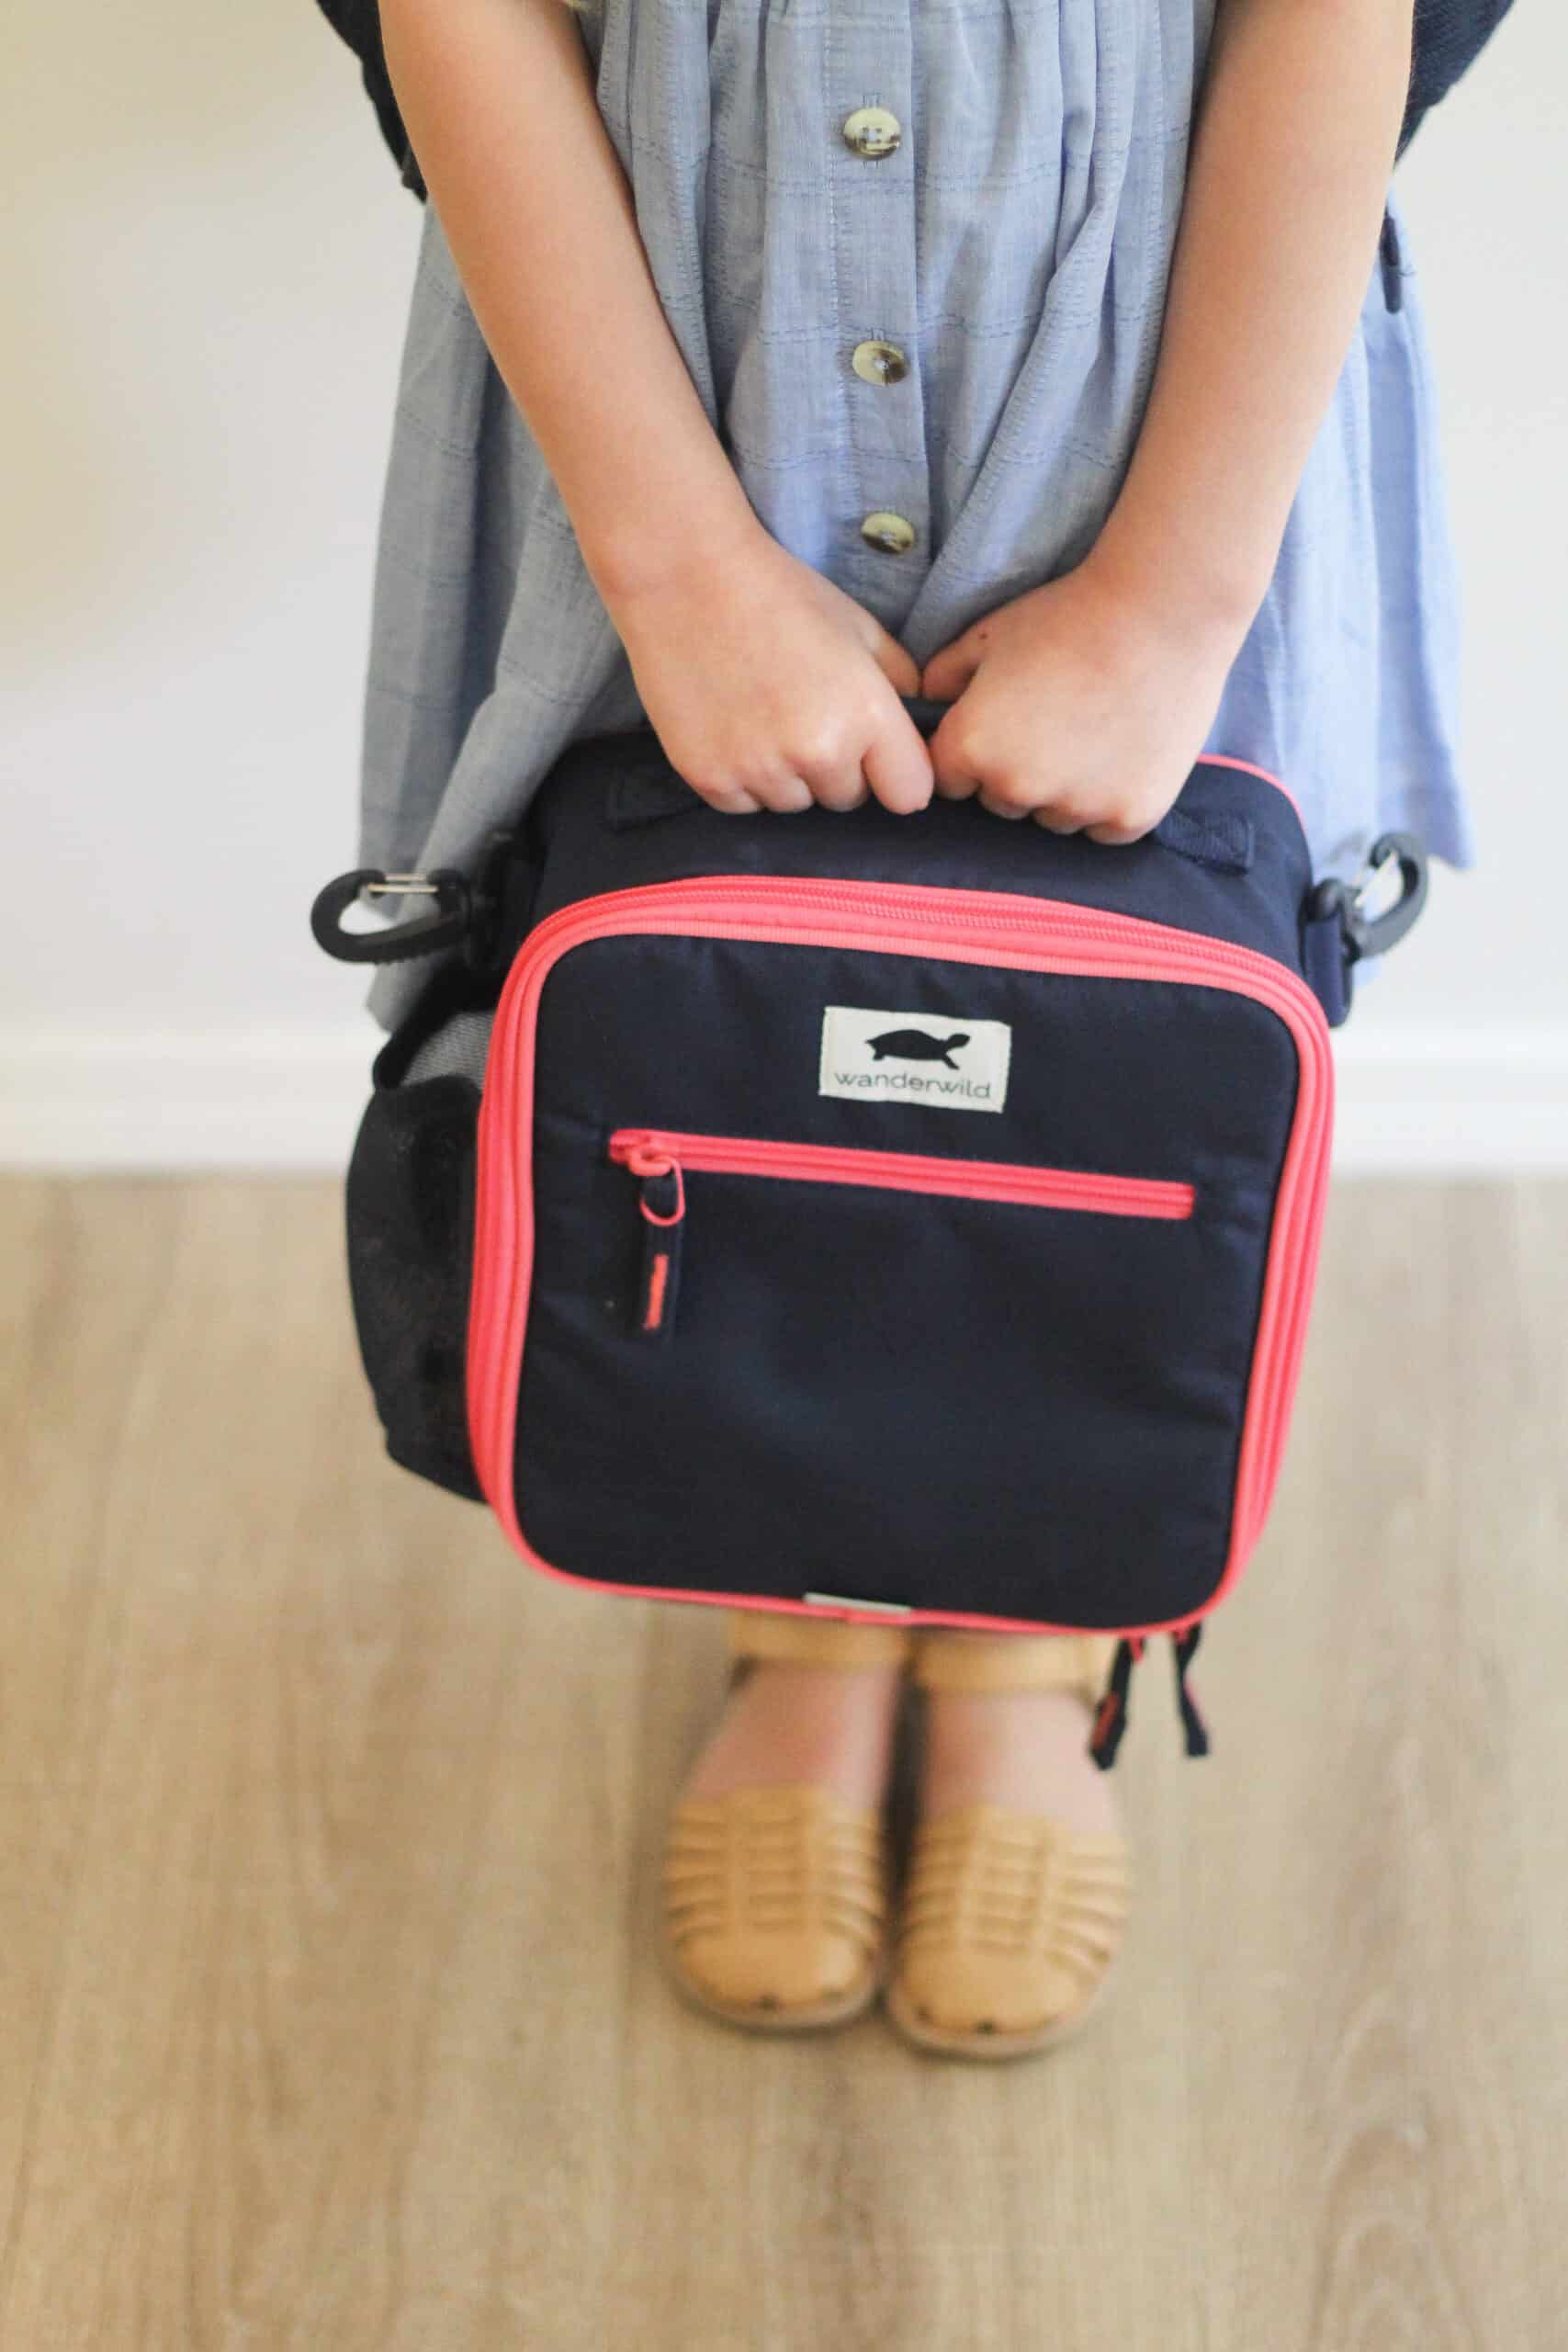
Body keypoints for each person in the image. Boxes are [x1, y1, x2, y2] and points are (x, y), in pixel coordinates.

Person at [363, 0, 1473, 2059]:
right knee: (712, 1042)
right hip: (673, 333)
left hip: (1169, 337)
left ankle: (1018, 1647)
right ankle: (796, 1619)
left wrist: (1167, 598)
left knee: (1103, 1073)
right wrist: (675, 562)